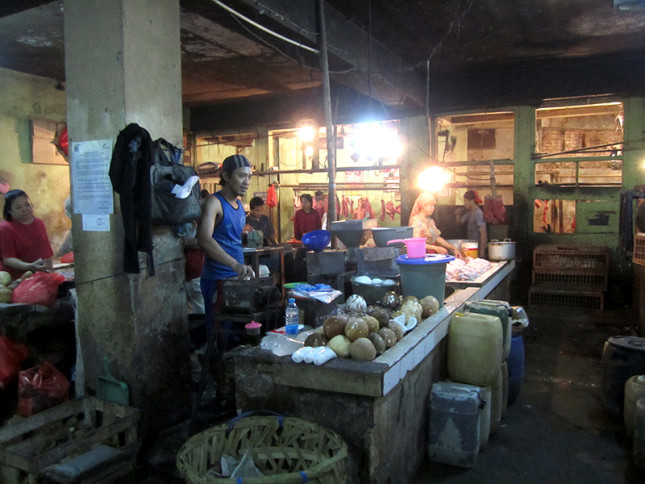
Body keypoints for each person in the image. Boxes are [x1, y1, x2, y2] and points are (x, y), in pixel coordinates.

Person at [0, 189, 54, 280]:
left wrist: (51, 273)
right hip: (13, 278)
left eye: (27, 205)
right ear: (9, 211)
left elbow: (47, 251)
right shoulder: (5, 228)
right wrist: (29, 266)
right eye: (18, 207)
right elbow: (8, 259)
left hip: (37, 274)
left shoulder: (39, 223)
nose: (25, 210)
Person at [409, 192, 460, 256]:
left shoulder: (430, 221)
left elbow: (437, 238)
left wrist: (453, 248)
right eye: (430, 205)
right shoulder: (416, 220)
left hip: (431, 256)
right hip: (420, 256)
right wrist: (435, 248)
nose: (433, 208)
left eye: (433, 205)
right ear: (423, 205)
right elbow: (416, 242)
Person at [456, 190, 487, 258]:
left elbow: (483, 233)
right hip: (471, 248)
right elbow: (459, 223)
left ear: (472, 201)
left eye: (465, 200)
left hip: (478, 248)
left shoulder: (478, 213)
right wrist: (458, 214)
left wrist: (482, 252)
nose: (464, 203)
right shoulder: (470, 213)